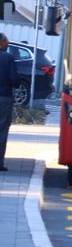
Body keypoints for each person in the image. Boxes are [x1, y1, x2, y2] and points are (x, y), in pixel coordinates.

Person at [0, 33, 19, 171]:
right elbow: (15, 80)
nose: (8, 43)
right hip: (4, 98)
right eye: (7, 41)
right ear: (2, 42)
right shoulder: (8, 58)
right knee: (2, 130)